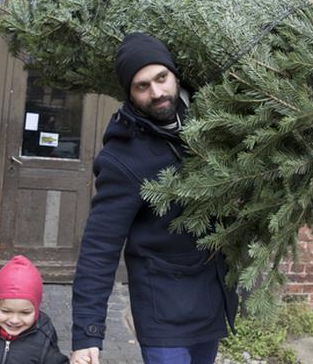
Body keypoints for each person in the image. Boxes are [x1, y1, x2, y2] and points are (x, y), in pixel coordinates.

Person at [70, 33, 238, 364]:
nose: (157, 92)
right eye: (142, 85)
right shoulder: (122, 159)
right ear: (130, 95)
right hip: (163, 313)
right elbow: (98, 249)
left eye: (162, 78)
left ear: (175, 75)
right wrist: (87, 334)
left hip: (209, 300)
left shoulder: (209, 126)